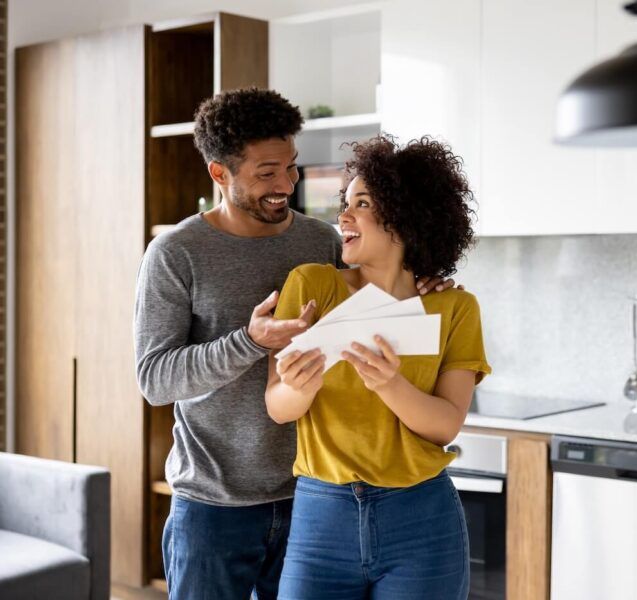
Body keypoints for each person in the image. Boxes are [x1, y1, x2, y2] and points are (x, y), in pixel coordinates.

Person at [133, 89, 452, 600]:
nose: (286, 184)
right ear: (219, 174)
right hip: (215, 505)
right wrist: (248, 342)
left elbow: (372, 301)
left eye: (292, 166)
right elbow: (155, 379)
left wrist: (422, 284)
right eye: (266, 173)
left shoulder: (319, 242)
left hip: (314, 499)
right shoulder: (176, 252)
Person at [266, 135, 491, 600]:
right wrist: (298, 387)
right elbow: (278, 407)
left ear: (406, 215)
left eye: (362, 203)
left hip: (422, 519)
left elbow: (445, 425)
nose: (342, 217)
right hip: (321, 516)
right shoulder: (312, 285)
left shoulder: (454, 307)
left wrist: (391, 384)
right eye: (344, 203)